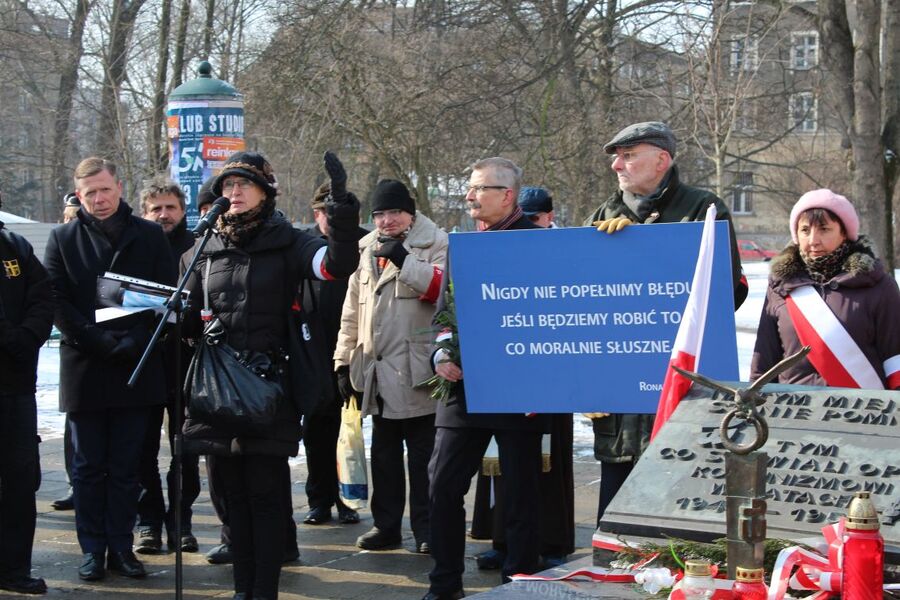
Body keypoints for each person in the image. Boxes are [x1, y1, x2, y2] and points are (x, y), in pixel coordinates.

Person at [179, 151, 360, 600]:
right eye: (227, 186)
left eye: (243, 185)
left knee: (264, 495)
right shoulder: (204, 247)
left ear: (265, 191)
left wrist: (340, 209)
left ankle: (264, 591)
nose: (233, 193)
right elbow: (185, 309)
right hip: (215, 387)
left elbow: (335, 266)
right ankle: (243, 589)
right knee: (229, 498)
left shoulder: (289, 241)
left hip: (268, 388)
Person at [584, 121, 749, 525]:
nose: (616, 166)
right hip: (620, 398)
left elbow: (726, 291)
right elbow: (585, 303)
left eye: (627, 156)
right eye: (616, 158)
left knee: (678, 503)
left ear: (661, 159)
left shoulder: (703, 209)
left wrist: (641, 245)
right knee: (616, 510)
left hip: (681, 383)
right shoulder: (604, 215)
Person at [43, 157, 177, 582]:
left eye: (104, 190)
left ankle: (121, 546)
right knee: (86, 467)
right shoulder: (63, 237)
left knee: (126, 465)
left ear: (118, 187)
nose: (99, 200)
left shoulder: (151, 235)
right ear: (78, 196)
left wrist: (134, 342)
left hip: (136, 363)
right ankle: (92, 549)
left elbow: (165, 298)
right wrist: (94, 339)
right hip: (85, 365)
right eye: (89, 194)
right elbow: (56, 299)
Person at [424, 157, 548, 600]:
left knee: (520, 493)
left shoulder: (542, 245)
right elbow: (444, 313)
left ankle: (518, 584)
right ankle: (444, 585)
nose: (470, 197)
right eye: (469, 189)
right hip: (462, 387)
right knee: (441, 486)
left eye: (479, 189)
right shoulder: (464, 245)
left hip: (519, 389)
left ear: (507, 195)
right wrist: (441, 352)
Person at [334, 179, 447, 553]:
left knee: (423, 459)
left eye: (394, 212)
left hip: (419, 371)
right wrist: (342, 360)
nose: (386, 221)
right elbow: (352, 310)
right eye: (379, 214)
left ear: (410, 212)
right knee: (383, 457)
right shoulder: (365, 248)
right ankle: (386, 526)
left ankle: (429, 529)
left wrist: (404, 259)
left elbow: (442, 289)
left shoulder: (437, 242)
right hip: (377, 371)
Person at [470, 185, 574, 571]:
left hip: (548, 376)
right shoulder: (496, 245)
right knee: (501, 467)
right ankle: (504, 540)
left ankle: (553, 540)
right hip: (505, 370)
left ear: (548, 217)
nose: (528, 224)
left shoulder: (559, 250)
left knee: (547, 467)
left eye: (535, 218)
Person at [751, 189, 900, 389]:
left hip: (860, 415)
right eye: (805, 230)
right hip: (791, 413)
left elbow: (895, 360)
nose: (813, 240)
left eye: (824, 229)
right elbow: (764, 362)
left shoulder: (879, 285)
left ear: (844, 232)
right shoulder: (780, 285)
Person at [135, 175, 202, 554]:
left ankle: (182, 521)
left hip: (184, 363)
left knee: (186, 449)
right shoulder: (136, 245)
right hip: (143, 361)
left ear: (182, 210)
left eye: (170, 207)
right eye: (156, 208)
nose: (163, 215)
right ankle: (148, 524)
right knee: (142, 449)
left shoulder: (197, 247)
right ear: (145, 212)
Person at [301, 183, 367, 526]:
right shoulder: (306, 247)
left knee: (353, 431)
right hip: (314, 351)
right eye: (329, 214)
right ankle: (319, 498)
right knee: (317, 431)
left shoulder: (365, 243)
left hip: (357, 352)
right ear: (318, 215)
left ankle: (347, 496)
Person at [0, 188, 55, 595]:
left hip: (15, 387)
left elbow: (42, 295)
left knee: (20, 481)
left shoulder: (14, 247)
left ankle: (14, 568)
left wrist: (28, 335)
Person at [52, 191, 81, 512]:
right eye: (68, 216)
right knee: (73, 427)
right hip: (76, 350)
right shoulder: (60, 245)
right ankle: (76, 484)